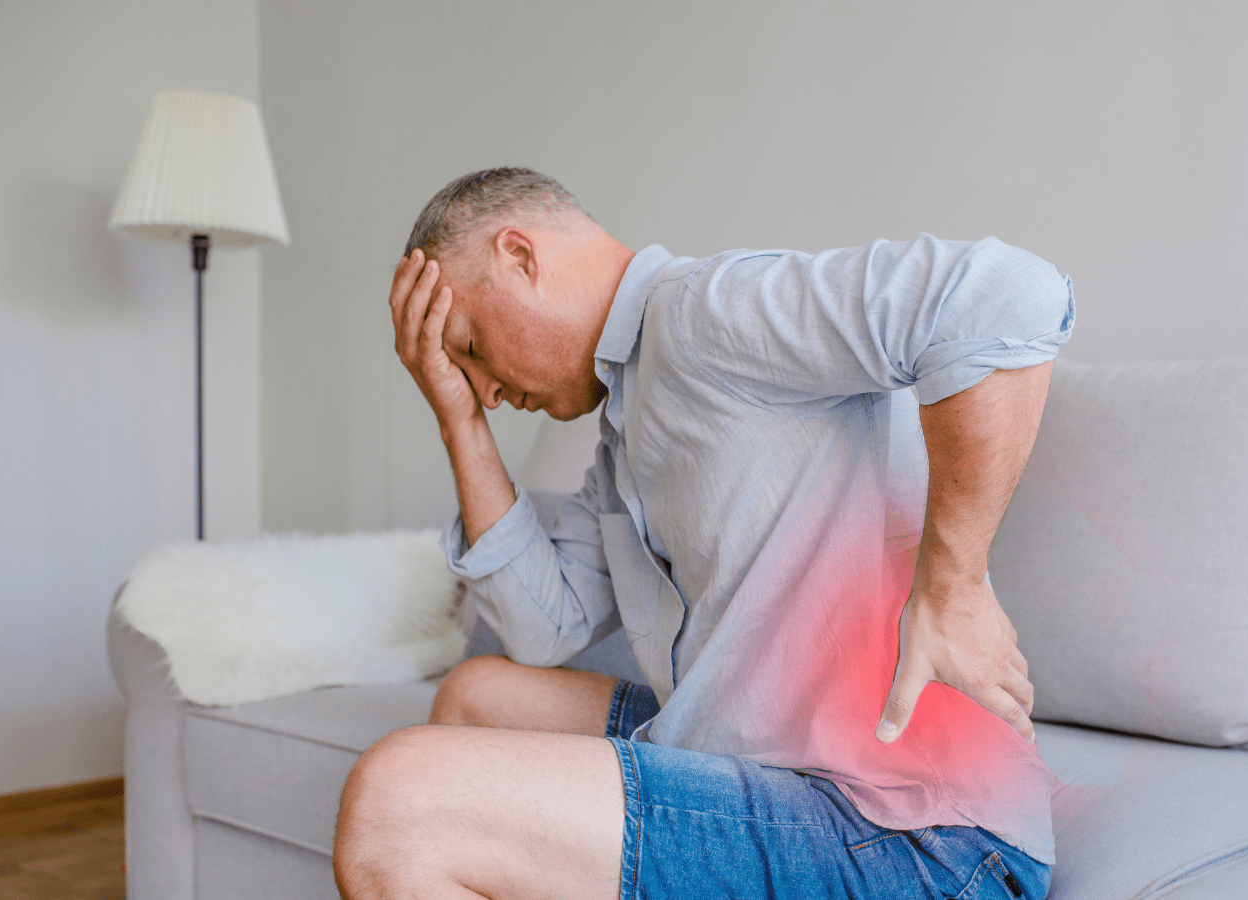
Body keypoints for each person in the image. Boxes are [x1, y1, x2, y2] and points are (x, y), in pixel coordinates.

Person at [333, 167, 1074, 900]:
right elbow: (543, 627)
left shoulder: (706, 314)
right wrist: (457, 419)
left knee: (393, 806)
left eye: (467, 348)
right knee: (477, 695)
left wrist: (955, 585)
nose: (485, 389)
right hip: (772, 772)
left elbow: (1006, 294)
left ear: (522, 258)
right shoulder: (622, 436)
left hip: (919, 836)